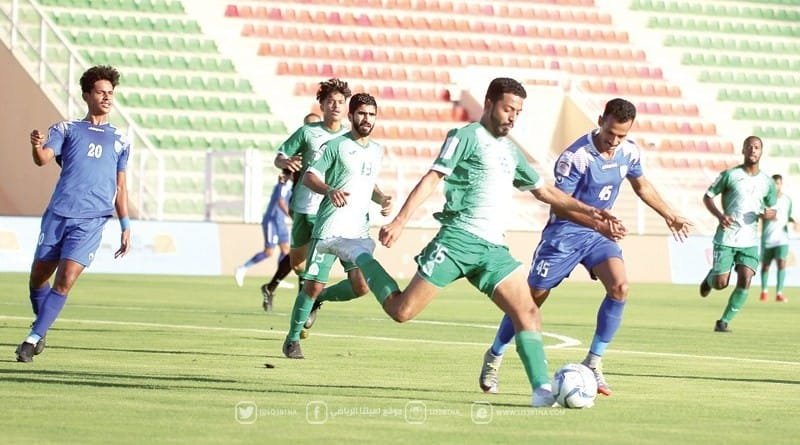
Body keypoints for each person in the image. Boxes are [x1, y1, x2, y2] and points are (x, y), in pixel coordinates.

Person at [323, 78, 613, 407]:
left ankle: (542, 391)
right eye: (508, 108)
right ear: (489, 104)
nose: (512, 117)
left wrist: (592, 214)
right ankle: (360, 253)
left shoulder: (510, 151)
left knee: (528, 312)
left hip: (493, 251)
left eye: (518, 112)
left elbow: (545, 192)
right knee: (401, 311)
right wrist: (401, 220)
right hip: (458, 241)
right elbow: (433, 177)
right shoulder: (465, 136)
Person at [478, 98, 693, 397]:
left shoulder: (629, 152)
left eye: (621, 136)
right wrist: (597, 223)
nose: (614, 141)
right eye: (610, 133)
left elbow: (641, 185)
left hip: (597, 235)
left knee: (620, 287)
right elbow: (560, 205)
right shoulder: (576, 157)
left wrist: (669, 214)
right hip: (563, 236)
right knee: (530, 302)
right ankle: (495, 355)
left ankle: (593, 362)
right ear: (600, 120)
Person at [15, 65, 131, 362]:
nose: (107, 97)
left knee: (66, 278)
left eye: (110, 93)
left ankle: (31, 339)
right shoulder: (66, 129)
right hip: (59, 214)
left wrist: (125, 225)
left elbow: (121, 185)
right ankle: (41, 327)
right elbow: (43, 159)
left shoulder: (120, 139)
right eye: (101, 92)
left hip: (92, 220)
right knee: (38, 278)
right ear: (87, 95)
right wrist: (36, 146)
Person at [282, 93, 391, 358]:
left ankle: (320, 300)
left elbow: (367, 184)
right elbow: (309, 176)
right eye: (362, 113)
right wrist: (329, 190)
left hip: (357, 232)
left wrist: (382, 199)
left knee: (361, 286)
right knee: (312, 285)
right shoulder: (335, 146)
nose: (367, 119)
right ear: (351, 116)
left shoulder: (377, 150)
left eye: (372, 114)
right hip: (330, 228)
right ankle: (292, 340)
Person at [259, 80, 352, 308]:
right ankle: (303, 292)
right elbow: (280, 158)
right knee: (299, 264)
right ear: (322, 105)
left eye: (340, 102)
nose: (336, 106)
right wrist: (285, 163)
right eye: (331, 101)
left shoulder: (350, 137)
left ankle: (311, 300)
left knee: (322, 257)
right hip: (305, 205)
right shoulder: (307, 133)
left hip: (333, 207)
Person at [700, 136, 778, 332]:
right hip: (727, 237)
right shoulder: (730, 175)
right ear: (743, 150)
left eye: (757, 147)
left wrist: (769, 214)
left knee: (746, 279)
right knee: (721, 284)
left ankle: (723, 321)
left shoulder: (767, 182)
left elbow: (771, 208)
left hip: (750, 241)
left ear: (761, 152)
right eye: (749, 147)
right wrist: (720, 215)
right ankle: (710, 279)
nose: (753, 150)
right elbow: (708, 197)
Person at [233, 169, 293, 303]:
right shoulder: (282, 186)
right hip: (272, 220)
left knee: (286, 251)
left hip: (280, 222)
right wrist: (291, 215)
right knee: (268, 252)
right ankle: (242, 268)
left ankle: (278, 278)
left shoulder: (291, 187)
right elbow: (280, 202)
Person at [760, 174, 796, 303]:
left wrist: (794, 222)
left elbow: (789, 216)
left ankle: (779, 293)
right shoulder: (765, 200)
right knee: (765, 266)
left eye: (778, 183)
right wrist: (765, 215)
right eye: (774, 183)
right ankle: (764, 291)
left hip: (782, 239)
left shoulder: (787, 200)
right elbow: (759, 214)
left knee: (782, 263)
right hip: (767, 238)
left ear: (781, 184)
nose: (776, 186)